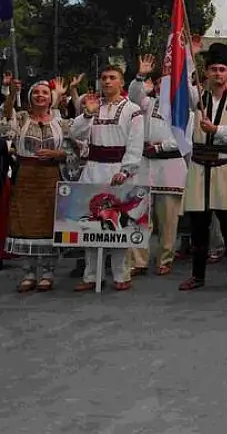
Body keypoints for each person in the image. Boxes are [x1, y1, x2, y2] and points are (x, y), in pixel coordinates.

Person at [178, 43, 227, 291]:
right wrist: (188, 55)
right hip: (200, 167)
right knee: (199, 228)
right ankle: (197, 275)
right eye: (213, 69)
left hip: (225, 167)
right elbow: (178, 86)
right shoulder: (197, 98)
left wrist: (217, 131)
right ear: (207, 73)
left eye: (222, 69)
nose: (218, 74)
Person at [70, 66, 145, 292]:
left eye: (112, 78)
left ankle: (121, 274)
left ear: (122, 83)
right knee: (92, 224)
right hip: (93, 169)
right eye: (104, 78)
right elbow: (75, 134)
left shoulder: (133, 110)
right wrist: (87, 114)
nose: (107, 82)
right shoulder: (93, 106)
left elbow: (135, 143)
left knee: (118, 225)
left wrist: (126, 170)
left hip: (118, 172)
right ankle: (91, 275)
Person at [2, 80, 74, 292]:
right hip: (26, 177)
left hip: (51, 176)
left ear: (50, 98)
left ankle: (48, 271)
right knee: (25, 223)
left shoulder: (61, 123)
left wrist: (57, 154)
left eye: (44, 92)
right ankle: (29, 272)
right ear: (30, 97)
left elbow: (73, 151)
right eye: (36, 93)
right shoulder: (22, 118)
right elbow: (6, 118)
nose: (40, 96)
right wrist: (11, 94)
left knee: (48, 223)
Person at [127, 54, 189, 277]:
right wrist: (140, 75)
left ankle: (165, 258)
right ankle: (138, 260)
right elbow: (133, 96)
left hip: (170, 167)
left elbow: (184, 140)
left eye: (170, 83)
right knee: (138, 214)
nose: (165, 87)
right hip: (144, 165)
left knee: (168, 220)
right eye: (162, 82)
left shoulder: (183, 110)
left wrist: (160, 147)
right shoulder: (147, 103)